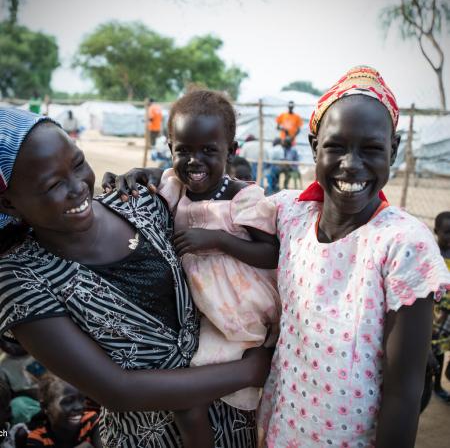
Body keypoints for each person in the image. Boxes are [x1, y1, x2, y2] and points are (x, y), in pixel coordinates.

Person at [0, 107, 272, 447]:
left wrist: (162, 172)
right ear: (9, 203)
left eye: (78, 163)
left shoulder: (137, 200)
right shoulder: (20, 278)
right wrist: (250, 371)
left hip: (240, 421)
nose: (78, 187)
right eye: (53, 184)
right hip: (149, 436)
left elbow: (210, 204)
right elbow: (118, 390)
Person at [257, 66, 450, 447]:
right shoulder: (291, 213)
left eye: (372, 149)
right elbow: (219, 201)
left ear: (393, 150)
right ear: (314, 147)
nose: (351, 163)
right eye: (336, 146)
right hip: (281, 427)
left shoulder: (403, 244)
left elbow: (404, 392)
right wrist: (156, 180)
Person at [103, 89, 281, 447]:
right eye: (183, 150)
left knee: (194, 390)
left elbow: (271, 253)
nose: (194, 160)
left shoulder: (243, 198)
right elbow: (148, 187)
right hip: (200, 310)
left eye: (208, 150)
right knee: (205, 388)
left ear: (230, 150)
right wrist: (136, 175)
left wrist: (218, 240)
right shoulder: (175, 189)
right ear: (170, 147)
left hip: (238, 313)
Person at [25, 374, 101, 447]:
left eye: (81, 399)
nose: (79, 407)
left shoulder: (90, 421)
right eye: (68, 401)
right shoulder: (38, 438)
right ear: (45, 407)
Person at [431, 211, 450, 401]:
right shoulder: (433, 255)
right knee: (433, 350)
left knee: (442, 350)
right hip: (435, 314)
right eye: (447, 233)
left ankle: (439, 384)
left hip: (449, 315)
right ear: (437, 231)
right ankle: (431, 384)